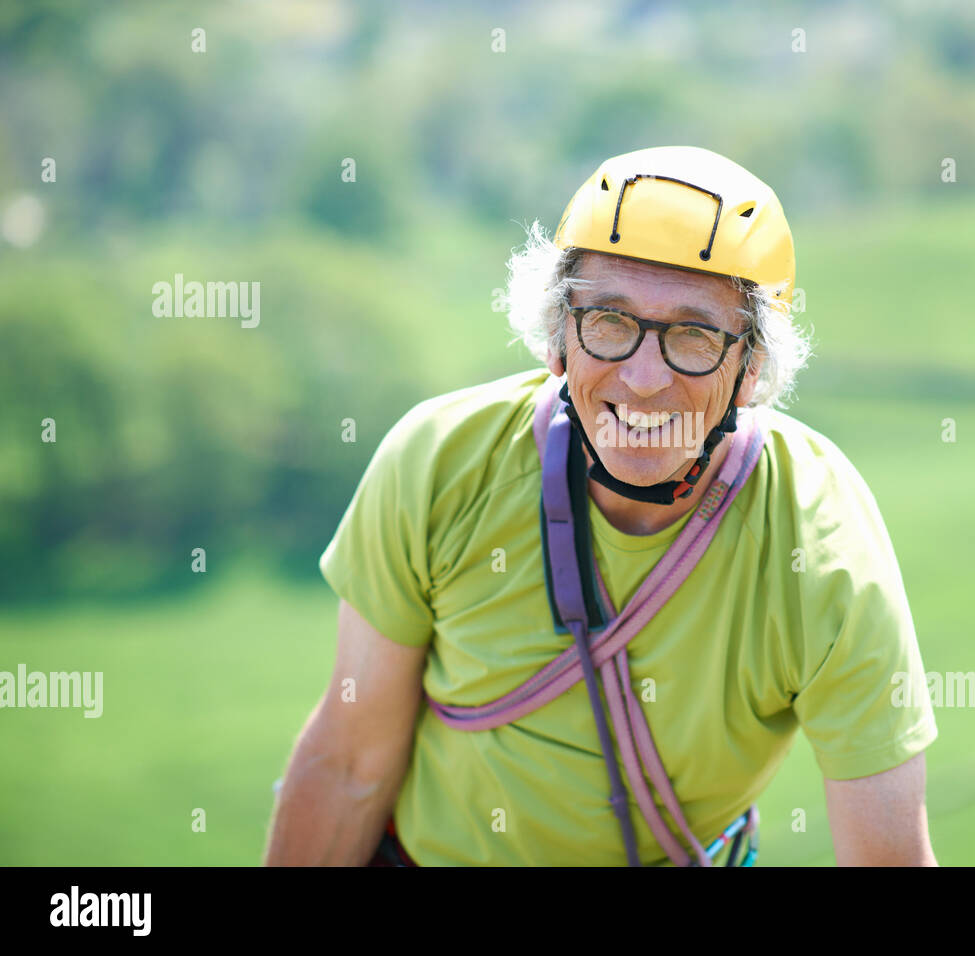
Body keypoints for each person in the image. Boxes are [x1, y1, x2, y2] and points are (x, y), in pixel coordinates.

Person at [263, 145, 939, 866]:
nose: (645, 378)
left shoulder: (821, 539)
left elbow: (888, 856)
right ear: (557, 336)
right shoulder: (440, 461)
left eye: (694, 334)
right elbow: (347, 765)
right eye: (610, 320)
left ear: (752, 368)